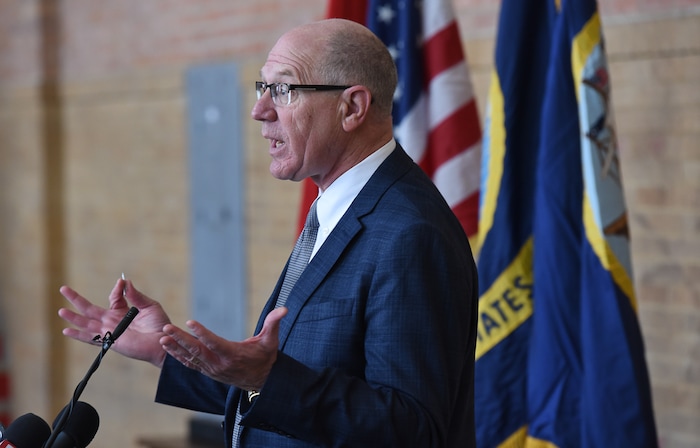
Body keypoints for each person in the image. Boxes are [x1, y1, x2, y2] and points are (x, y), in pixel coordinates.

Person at [58, 18, 478, 448]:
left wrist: (268, 376)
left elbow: (412, 429)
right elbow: (284, 386)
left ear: (352, 108)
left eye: (284, 90)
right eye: (263, 88)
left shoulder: (410, 233)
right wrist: (163, 352)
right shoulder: (337, 211)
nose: (260, 109)